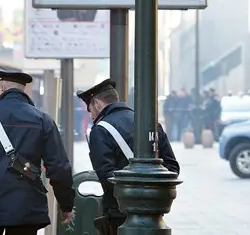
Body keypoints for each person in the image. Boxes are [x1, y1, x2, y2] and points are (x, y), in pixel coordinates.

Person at [0, 66, 76, 235]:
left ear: (1, 87)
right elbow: (59, 167)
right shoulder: (43, 120)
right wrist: (66, 205)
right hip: (26, 207)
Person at [77, 79, 180, 235]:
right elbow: (172, 167)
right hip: (155, 216)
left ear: (97, 103)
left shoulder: (101, 130)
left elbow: (106, 175)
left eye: (89, 108)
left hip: (119, 213)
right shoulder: (150, 124)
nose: (90, 114)